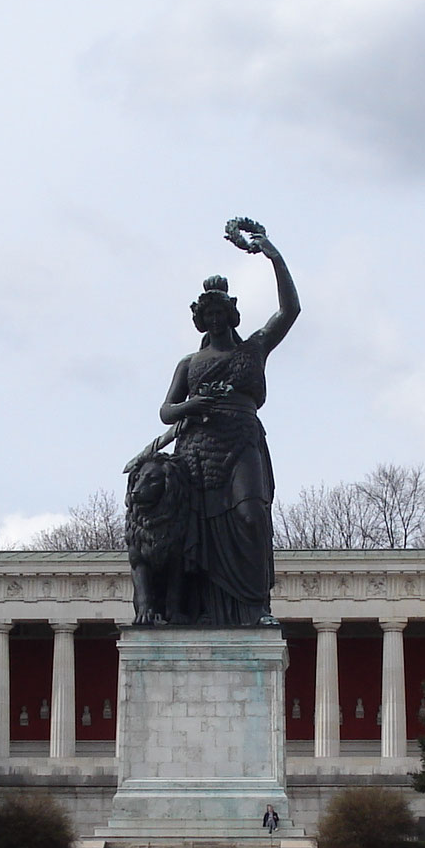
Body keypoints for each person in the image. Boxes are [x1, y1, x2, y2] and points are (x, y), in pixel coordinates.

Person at [141, 219, 299, 627]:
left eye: (219, 314)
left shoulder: (254, 348)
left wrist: (272, 255)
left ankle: (255, 607)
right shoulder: (189, 364)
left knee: (251, 515)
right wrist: (194, 404)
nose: (214, 321)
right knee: (199, 533)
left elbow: (289, 310)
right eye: (207, 316)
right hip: (196, 450)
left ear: (231, 316)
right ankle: (202, 610)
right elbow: (166, 411)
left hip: (242, 440)